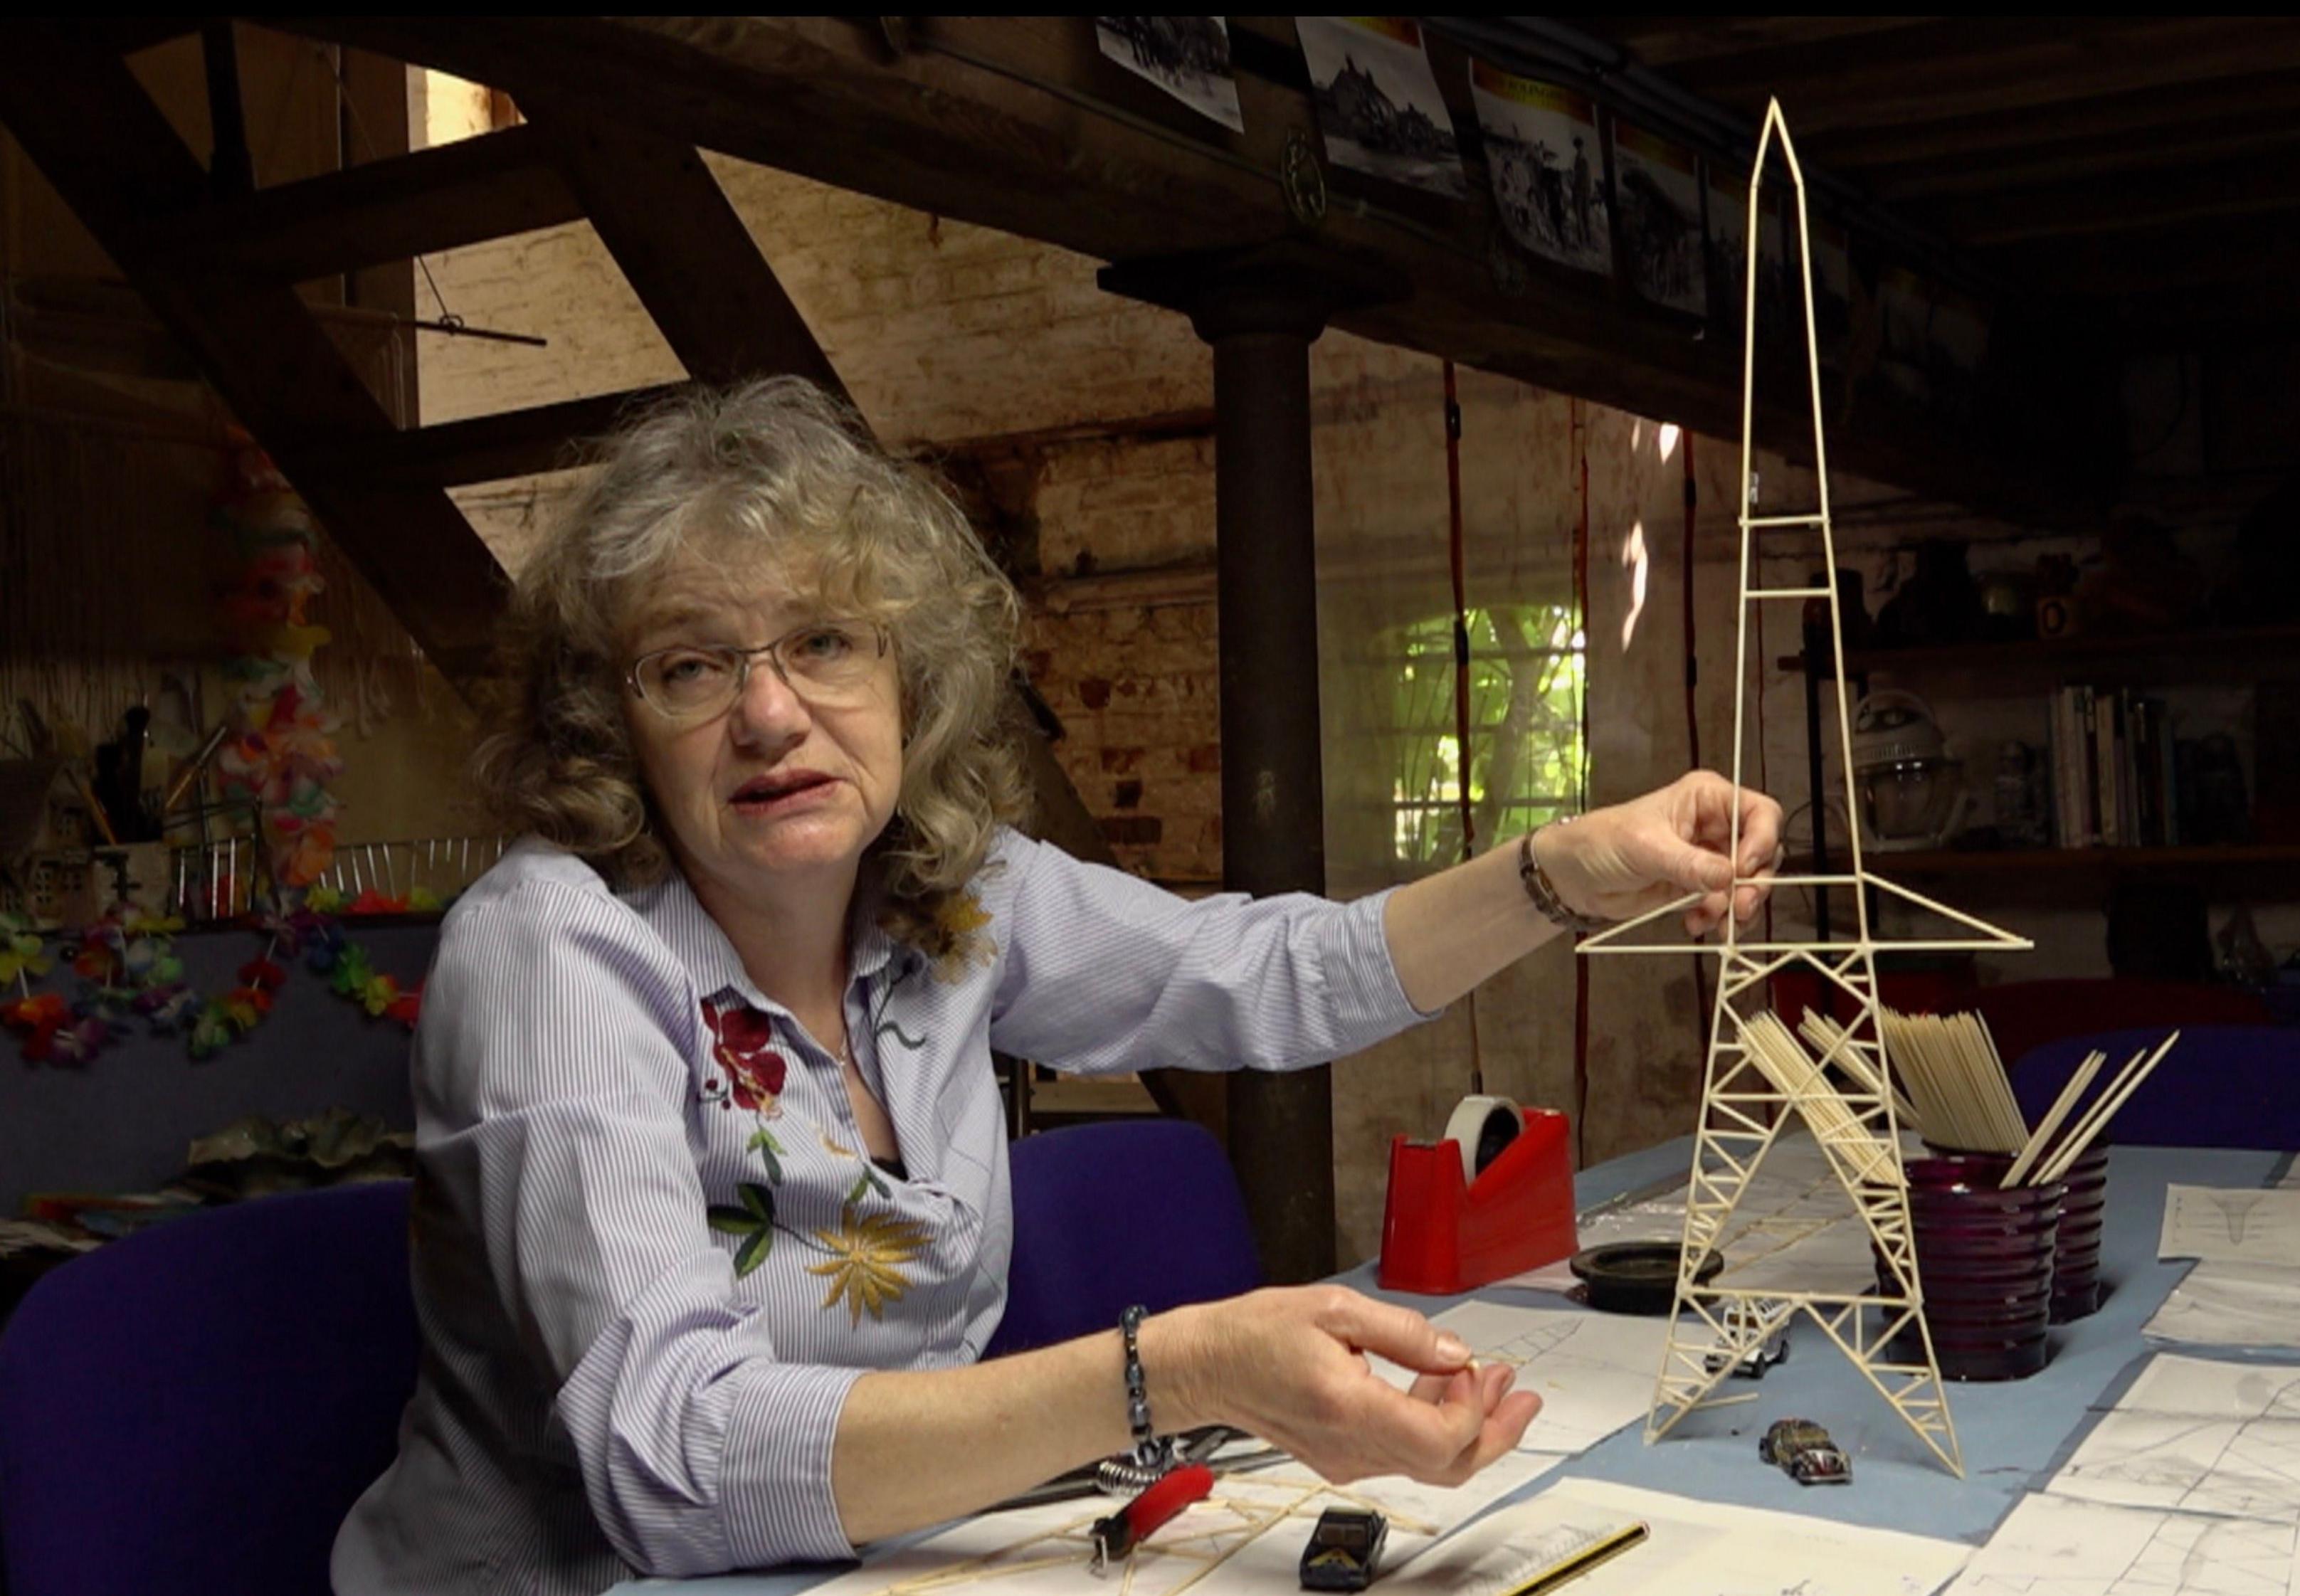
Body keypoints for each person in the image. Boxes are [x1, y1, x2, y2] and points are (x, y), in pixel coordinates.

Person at [333, 378, 1783, 1593]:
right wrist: (1181, 1372)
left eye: (826, 642)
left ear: (913, 678)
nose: (771, 713)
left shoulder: (959, 891)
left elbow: (1283, 975)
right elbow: (675, 1462)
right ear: (612, 721)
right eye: (692, 666)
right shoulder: (552, 948)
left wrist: (1565, 872)